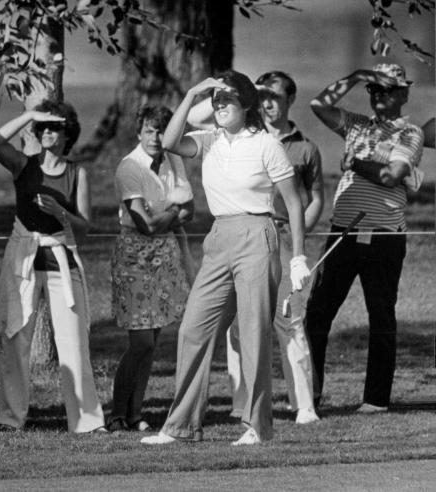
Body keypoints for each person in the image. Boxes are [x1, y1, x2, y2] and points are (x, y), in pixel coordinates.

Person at [140, 70, 308, 446]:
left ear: (246, 104)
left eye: (227, 100)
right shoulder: (209, 140)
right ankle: (181, 426)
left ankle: (257, 426)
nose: (219, 107)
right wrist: (194, 92)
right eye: (215, 102)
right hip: (219, 238)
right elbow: (169, 141)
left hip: (257, 235)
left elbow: (294, 204)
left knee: (252, 333)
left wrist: (297, 257)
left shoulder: (266, 144)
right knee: (193, 328)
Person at [305, 63, 423, 414]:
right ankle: (308, 395)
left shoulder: (410, 134)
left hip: (384, 235)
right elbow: (317, 105)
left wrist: (354, 164)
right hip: (343, 231)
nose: (379, 96)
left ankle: (375, 400)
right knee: (317, 314)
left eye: (388, 90)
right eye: (374, 90)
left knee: (381, 315)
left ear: (403, 94)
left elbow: (392, 176)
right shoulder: (357, 125)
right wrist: (356, 76)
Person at [211, 71, 324, 425]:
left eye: (275, 96)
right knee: (238, 326)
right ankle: (241, 401)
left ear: (290, 99)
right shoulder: (238, 137)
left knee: (289, 321)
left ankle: (303, 405)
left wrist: (298, 236)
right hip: (244, 240)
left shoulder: (305, 147)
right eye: (262, 96)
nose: (268, 102)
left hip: (282, 242)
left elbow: (314, 197)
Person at [0, 101, 105, 433]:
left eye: (55, 127)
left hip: (60, 262)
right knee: (16, 339)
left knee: (73, 342)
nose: (48, 132)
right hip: (23, 260)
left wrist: (60, 213)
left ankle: (86, 421)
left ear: (68, 132)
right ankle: (11, 419)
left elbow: (84, 227)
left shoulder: (76, 173)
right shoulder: (24, 165)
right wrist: (29, 116)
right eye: (43, 128)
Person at [107, 105, 192, 432]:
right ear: (139, 131)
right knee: (140, 342)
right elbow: (146, 225)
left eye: (161, 130)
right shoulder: (130, 168)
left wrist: (166, 216)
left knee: (152, 343)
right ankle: (117, 412)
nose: (156, 137)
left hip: (165, 256)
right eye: (150, 130)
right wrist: (172, 212)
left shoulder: (174, 160)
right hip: (134, 257)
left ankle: (135, 413)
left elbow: (192, 210)